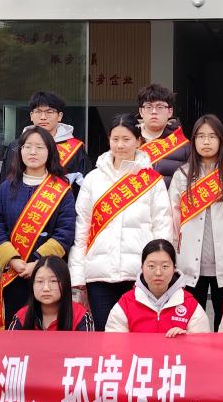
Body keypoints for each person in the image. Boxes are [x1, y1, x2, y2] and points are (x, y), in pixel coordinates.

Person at [70, 114, 173, 329]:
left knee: (139, 333)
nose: (120, 145)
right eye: (115, 139)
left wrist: (159, 269)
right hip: (98, 276)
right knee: (104, 334)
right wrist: (77, 275)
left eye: (126, 139)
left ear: (138, 141)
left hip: (139, 275)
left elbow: (162, 227)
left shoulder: (152, 181)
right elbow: (81, 229)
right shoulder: (93, 179)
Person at [0, 126, 76, 329]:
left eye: (39, 147)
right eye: (27, 147)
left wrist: (37, 262)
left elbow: (65, 231)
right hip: (14, 273)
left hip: (48, 274)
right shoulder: (6, 188)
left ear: (50, 152)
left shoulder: (62, 190)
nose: (33, 152)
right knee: (15, 330)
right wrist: (13, 259)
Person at [171, 114, 223, 329]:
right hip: (189, 267)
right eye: (200, 136)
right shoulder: (182, 175)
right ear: (193, 140)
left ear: (221, 140)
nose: (206, 142)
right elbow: (173, 221)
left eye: (212, 136)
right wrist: (173, 258)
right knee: (191, 325)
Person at [104, 240, 212, 334]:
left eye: (165, 266)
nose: (158, 272)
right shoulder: (125, 304)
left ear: (174, 268)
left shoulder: (190, 305)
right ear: (142, 267)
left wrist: (187, 338)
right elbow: (113, 344)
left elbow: (202, 344)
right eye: (151, 266)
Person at [0, 91, 92, 188]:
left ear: (60, 116)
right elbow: (6, 181)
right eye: (38, 112)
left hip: (61, 198)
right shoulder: (16, 146)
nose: (43, 117)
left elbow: (84, 187)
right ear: (31, 115)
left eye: (49, 112)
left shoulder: (75, 149)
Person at [9, 256, 96, 331]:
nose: (46, 288)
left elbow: (88, 345)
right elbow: (10, 345)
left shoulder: (81, 316)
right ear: (32, 284)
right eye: (40, 281)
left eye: (53, 281)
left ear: (65, 283)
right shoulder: (21, 316)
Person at [136, 83, 190, 185]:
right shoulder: (128, 140)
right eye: (148, 107)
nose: (154, 111)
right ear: (141, 111)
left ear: (170, 111)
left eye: (160, 107)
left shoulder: (183, 146)